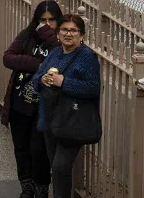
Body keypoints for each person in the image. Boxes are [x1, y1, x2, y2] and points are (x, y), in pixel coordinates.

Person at [32, 14, 101, 198]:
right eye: (64, 29)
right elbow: (36, 78)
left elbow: (93, 88)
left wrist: (63, 82)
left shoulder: (86, 56)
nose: (68, 34)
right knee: (57, 168)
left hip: (72, 121)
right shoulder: (55, 53)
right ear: (58, 33)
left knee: (60, 166)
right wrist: (42, 79)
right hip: (50, 118)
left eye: (73, 30)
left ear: (82, 35)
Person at [2, 1, 62, 198]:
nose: (47, 25)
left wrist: (48, 36)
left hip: (44, 105)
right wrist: (39, 65)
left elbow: (60, 60)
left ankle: (42, 186)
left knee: (39, 148)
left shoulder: (63, 40)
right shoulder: (27, 36)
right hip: (20, 101)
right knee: (21, 147)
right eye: (42, 20)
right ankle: (26, 185)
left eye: (51, 20)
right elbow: (8, 58)